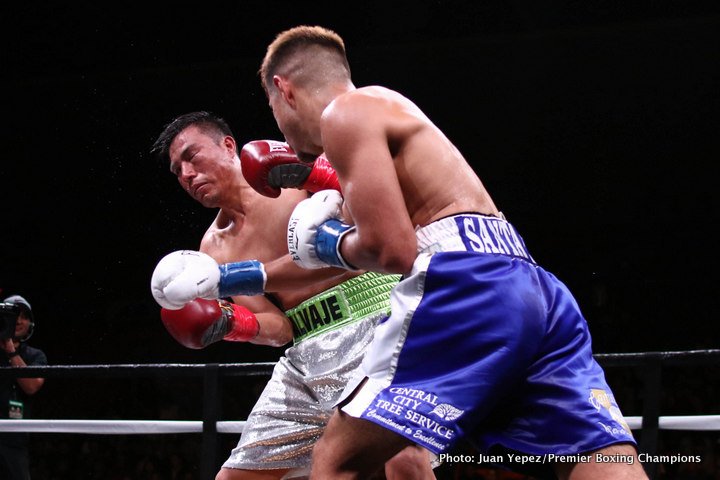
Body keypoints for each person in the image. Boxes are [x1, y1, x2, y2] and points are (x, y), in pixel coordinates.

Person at [258, 25, 649, 480]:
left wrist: (325, 245)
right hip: (531, 284)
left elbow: (393, 250)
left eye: (272, 109)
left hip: (466, 282)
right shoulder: (387, 108)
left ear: (284, 90)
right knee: (595, 455)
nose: (279, 130)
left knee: (337, 459)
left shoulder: (344, 112)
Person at [150, 111, 436, 479]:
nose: (187, 175)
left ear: (227, 145)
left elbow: (375, 225)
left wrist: (323, 174)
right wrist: (234, 323)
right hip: (304, 355)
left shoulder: (284, 173)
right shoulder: (213, 247)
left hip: (377, 320)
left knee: (402, 456)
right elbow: (280, 329)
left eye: (191, 157)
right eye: (177, 171)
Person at [0, 295, 47, 480]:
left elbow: (31, 386)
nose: (18, 320)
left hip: (15, 441)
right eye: (12, 315)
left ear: (30, 323)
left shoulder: (36, 356)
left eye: (24, 316)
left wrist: (10, 351)